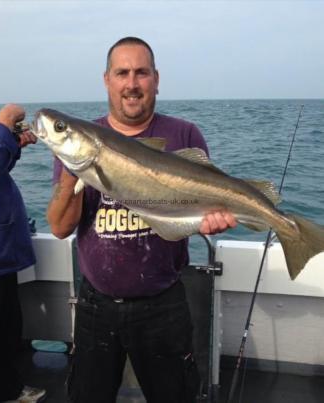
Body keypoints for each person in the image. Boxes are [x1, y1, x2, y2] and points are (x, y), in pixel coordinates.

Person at [47, 37, 237, 403]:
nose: (131, 83)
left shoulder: (184, 134)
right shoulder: (80, 140)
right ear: (107, 80)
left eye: (141, 73)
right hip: (96, 306)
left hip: (164, 304)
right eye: (122, 73)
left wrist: (209, 219)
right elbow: (59, 228)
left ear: (156, 79)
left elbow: (202, 208)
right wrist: (73, 166)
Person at [0, 104, 46, 403]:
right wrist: (3, 123)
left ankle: (6, 387)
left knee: (6, 328)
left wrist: (11, 144)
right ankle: (1, 392)